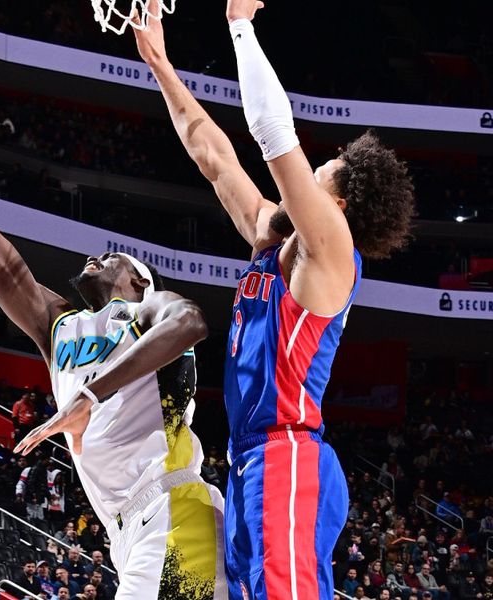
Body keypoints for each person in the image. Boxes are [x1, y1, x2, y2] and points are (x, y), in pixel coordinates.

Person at [0, 35, 227, 600]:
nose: (94, 257)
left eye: (112, 257)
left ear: (136, 280)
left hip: (174, 510)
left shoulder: (149, 309)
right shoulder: (58, 324)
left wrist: (90, 397)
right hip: (127, 530)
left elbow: (192, 324)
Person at [132, 0, 415, 597]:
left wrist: (240, 25)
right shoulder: (271, 234)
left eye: (323, 170)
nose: (311, 170)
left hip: (288, 454)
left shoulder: (333, 251)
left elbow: (272, 133)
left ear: (337, 206)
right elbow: (212, 155)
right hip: (249, 459)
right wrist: (159, 61)